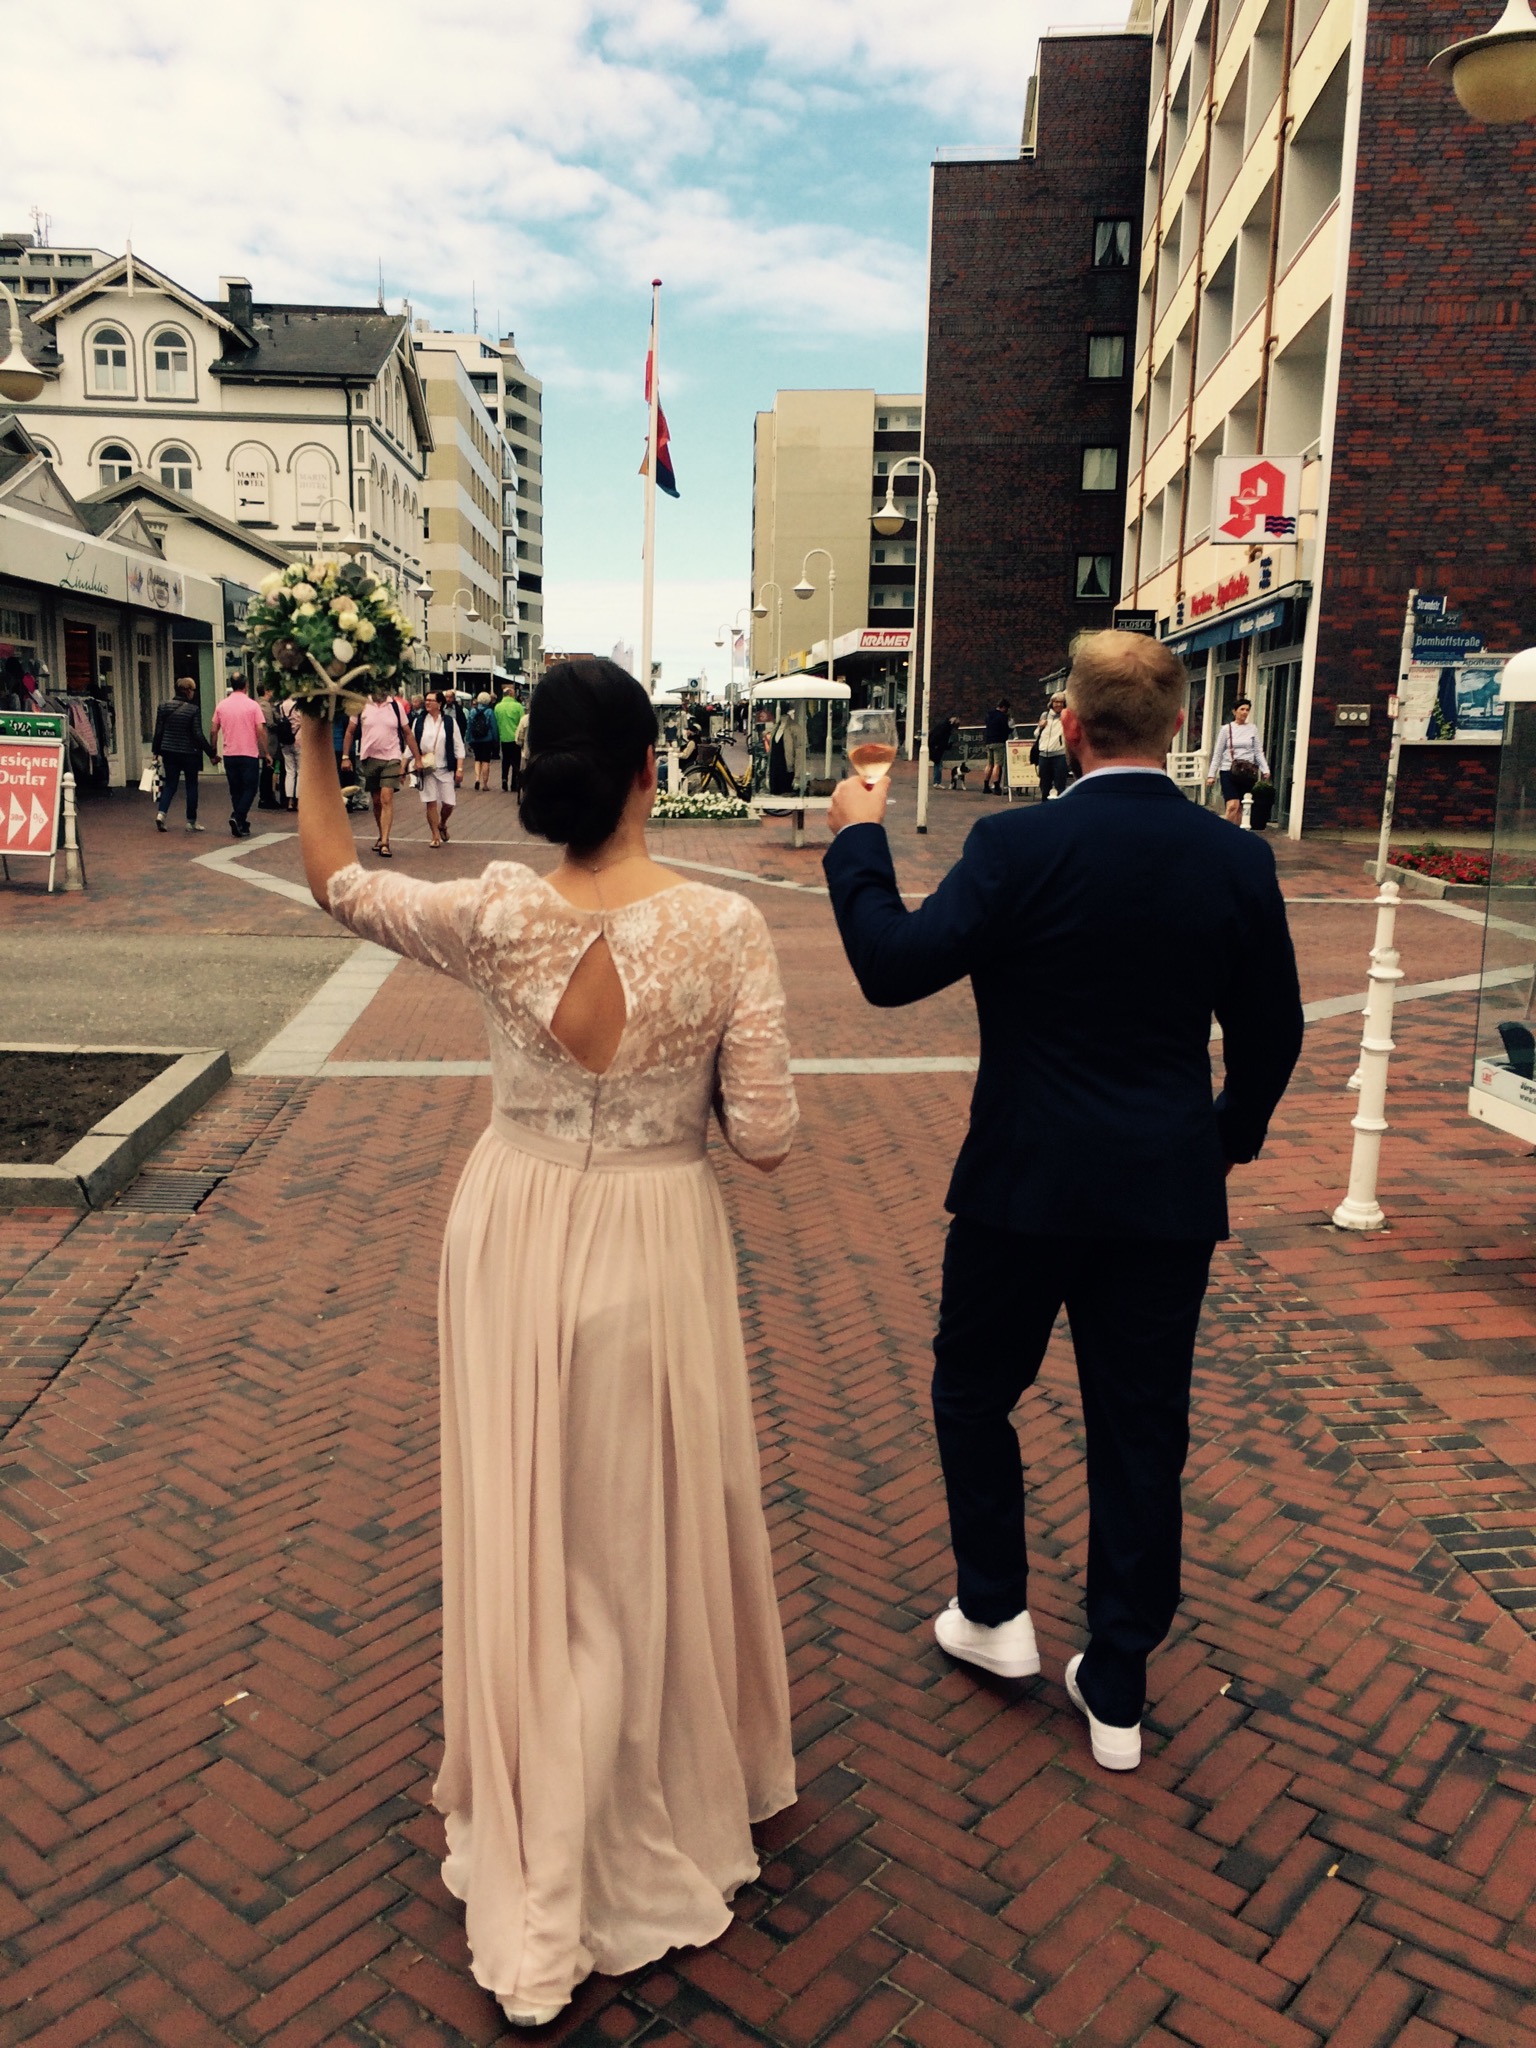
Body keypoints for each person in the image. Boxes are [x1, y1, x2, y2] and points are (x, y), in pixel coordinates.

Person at [294, 657, 798, 2024]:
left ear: (541, 775)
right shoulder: (727, 927)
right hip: (652, 1240)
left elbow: (337, 878)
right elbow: (765, 1140)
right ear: (654, 771)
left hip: (512, 1228)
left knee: (535, 1521)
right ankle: (658, 1783)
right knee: (637, 1525)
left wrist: (313, 735)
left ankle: (542, 1800)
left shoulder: (497, 914)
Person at [822, 629, 1302, 1772]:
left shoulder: (1017, 844)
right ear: (1179, 728)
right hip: (1162, 1194)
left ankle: (994, 1611)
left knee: (973, 1390)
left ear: (1071, 729)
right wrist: (1221, 1139)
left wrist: (857, 840)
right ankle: (1119, 1676)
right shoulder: (1233, 860)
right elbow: (1274, 1034)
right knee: (1141, 1429)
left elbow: (891, 965)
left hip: (1021, 1185)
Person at [342, 690, 422, 858]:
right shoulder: (362, 705)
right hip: (369, 758)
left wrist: (417, 758)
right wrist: (345, 756)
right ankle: (381, 834)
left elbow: (407, 733)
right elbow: (350, 731)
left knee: (387, 798)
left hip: (392, 757)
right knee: (377, 801)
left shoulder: (395, 706)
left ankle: (385, 842)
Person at [150, 677, 215, 832]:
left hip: (169, 751)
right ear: (187, 691)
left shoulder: (163, 706)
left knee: (170, 784)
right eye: (193, 690)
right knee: (191, 785)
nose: (193, 693)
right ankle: (191, 821)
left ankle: (161, 813)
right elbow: (198, 734)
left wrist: (155, 751)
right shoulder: (193, 710)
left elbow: (159, 730)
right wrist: (211, 753)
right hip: (189, 753)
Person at [210, 675, 269, 838]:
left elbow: (214, 730)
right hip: (248, 753)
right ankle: (238, 817)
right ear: (246, 685)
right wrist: (266, 752)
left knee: (235, 790)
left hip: (230, 753)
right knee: (250, 788)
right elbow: (260, 730)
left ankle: (241, 822)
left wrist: (213, 751)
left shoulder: (222, 705)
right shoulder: (253, 706)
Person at [412, 688, 464, 847]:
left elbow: (458, 746)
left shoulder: (449, 722)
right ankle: (435, 835)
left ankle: (442, 824)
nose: (427, 703)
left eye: (431, 700)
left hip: (445, 767)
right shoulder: (419, 721)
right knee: (431, 801)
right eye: (426, 700)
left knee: (449, 803)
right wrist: (406, 764)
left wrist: (459, 769)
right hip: (428, 768)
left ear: (439, 703)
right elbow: (412, 744)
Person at [1207, 698, 1271, 824]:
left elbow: (1258, 751)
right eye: (1242, 709)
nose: (1245, 712)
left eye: (1247, 710)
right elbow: (1218, 753)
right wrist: (1211, 774)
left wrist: (1265, 768)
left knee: (1241, 807)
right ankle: (1227, 833)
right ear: (1234, 711)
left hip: (1246, 772)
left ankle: (1236, 835)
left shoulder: (1252, 729)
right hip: (1228, 770)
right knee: (1232, 805)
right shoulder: (1226, 729)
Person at [1034, 693, 1070, 800]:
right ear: (1051, 703)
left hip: (1060, 755)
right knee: (1045, 785)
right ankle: (1044, 806)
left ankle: (1060, 809)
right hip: (1044, 755)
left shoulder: (1067, 716)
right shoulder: (1044, 715)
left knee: (1060, 785)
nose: (1058, 704)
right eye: (1056, 702)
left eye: (1061, 702)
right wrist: (1040, 727)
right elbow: (1036, 735)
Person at [255, 684, 283, 810]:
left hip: (266, 740)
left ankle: (266, 796)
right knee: (268, 769)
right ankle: (266, 797)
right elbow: (270, 723)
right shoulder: (264, 705)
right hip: (269, 740)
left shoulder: (261, 703)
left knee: (268, 770)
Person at [466, 691, 500, 792]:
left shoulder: (473, 711)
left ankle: (477, 779)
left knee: (477, 759)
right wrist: (496, 739)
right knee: (485, 761)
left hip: (476, 739)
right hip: (487, 739)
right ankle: (485, 784)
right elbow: (493, 726)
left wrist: (469, 738)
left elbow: (469, 726)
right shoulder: (489, 711)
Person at [495, 685, 525, 792]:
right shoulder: (518, 707)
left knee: (505, 760)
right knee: (516, 761)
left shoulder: (498, 707)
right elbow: (522, 722)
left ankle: (504, 779)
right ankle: (514, 783)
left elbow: (497, 722)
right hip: (515, 738)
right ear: (511, 694)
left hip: (504, 738)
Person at [981, 698, 1011, 794]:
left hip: (989, 741)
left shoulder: (989, 715)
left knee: (989, 764)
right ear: (1003, 707)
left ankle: (986, 786)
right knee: (997, 765)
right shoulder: (1002, 717)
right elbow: (1005, 729)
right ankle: (997, 787)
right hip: (999, 742)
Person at [929, 713, 956, 788]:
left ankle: (937, 782)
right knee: (938, 764)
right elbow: (941, 738)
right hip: (937, 748)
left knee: (938, 764)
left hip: (937, 747)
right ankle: (937, 782)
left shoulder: (944, 726)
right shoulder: (945, 727)